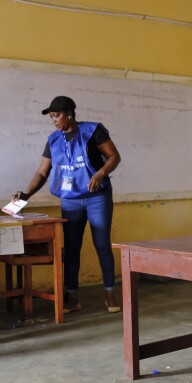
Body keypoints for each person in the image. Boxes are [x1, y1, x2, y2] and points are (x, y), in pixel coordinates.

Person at [13, 96, 122, 314]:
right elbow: (42, 172)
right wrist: (26, 194)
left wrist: (100, 174)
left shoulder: (93, 130)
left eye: (58, 115)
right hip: (70, 199)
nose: (54, 120)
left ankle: (110, 294)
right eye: (51, 116)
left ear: (71, 113)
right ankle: (73, 298)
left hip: (96, 197)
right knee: (71, 248)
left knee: (101, 244)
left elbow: (114, 157)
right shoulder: (53, 140)